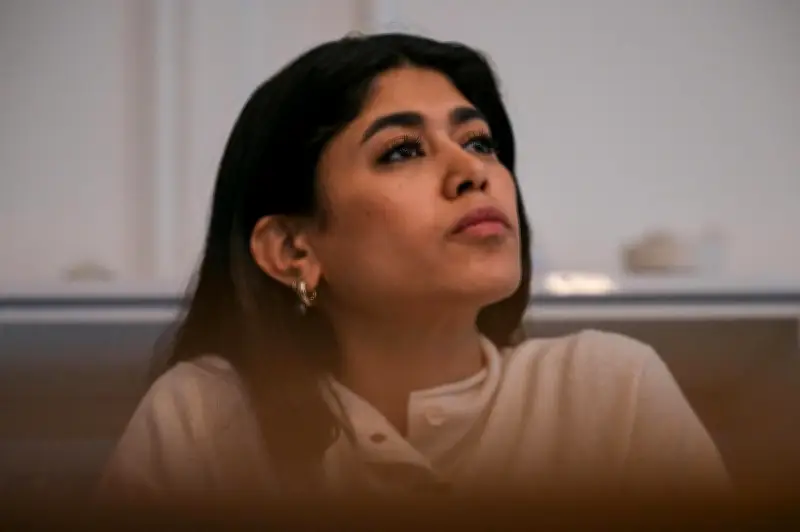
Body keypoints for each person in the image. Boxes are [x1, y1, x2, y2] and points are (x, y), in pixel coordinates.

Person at [97, 33, 728, 511]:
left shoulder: (609, 392)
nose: (473, 171)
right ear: (292, 249)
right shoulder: (205, 419)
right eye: (403, 151)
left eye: (479, 142)